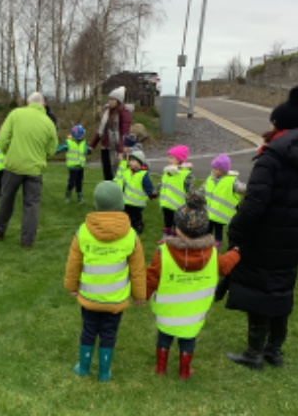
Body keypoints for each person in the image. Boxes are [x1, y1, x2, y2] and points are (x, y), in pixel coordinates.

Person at [225, 86, 298, 371]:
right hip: (292, 241)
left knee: (260, 292)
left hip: (263, 238)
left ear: (279, 125)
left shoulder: (271, 159)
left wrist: (236, 231)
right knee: (281, 291)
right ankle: (274, 350)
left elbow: (254, 204)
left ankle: (254, 353)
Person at [143, 191, 240, 380]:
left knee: (164, 337)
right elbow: (225, 266)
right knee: (188, 341)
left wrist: (142, 295)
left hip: (167, 312)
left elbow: (151, 277)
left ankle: (161, 368)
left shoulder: (163, 253)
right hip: (194, 314)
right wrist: (236, 253)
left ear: (178, 229)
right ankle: (185, 372)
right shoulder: (212, 254)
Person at [64, 181, 147, 382]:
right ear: (120, 204)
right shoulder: (131, 236)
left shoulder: (83, 232)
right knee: (109, 333)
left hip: (90, 297)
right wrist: (139, 295)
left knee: (88, 331)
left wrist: (72, 286)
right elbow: (137, 270)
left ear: (96, 204)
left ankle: (83, 368)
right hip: (115, 300)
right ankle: (104, 372)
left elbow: (73, 263)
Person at [0, 92, 59, 247]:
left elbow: (3, 137)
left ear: (28, 102)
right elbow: (52, 148)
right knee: (32, 205)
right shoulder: (48, 122)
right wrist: (42, 156)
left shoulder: (16, 114)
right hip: (34, 169)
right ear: (43, 104)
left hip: (13, 166)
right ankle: (27, 240)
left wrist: (7, 151)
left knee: (6, 199)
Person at [201, 154, 247, 249]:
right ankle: (205, 248)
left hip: (220, 215)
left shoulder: (232, 181)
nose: (214, 170)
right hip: (209, 212)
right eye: (213, 168)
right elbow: (203, 189)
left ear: (223, 170)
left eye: (217, 169)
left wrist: (247, 188)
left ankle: (216, 249)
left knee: (218, 233)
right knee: (207, 231)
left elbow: (242, 188)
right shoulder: (210, 178)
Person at [89, 87, 132, 181]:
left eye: (113, 99)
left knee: (116, 175)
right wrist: (92, 145)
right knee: (107, 174)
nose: (110, 101)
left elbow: (124, 134)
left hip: (116, 148)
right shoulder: (107, 112)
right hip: (105, 147)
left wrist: (121, 151)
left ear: (118, 101)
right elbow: (100, 131)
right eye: (110, 99)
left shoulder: (124, 113)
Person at [157, 144, 193, 242]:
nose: (169, 160)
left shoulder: (185, 174)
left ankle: (177, 237)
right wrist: (156, 190)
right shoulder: (167, 171)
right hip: (166, 203)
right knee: (167, 221)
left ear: (179, 160)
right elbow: (162, 183)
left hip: (178, 205)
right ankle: (166, 236)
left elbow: (190, 188)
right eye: (169, 157)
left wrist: (191, 200)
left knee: (177, 223)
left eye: (172, 158)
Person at [121, 149, 156, 235]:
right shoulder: (127, 172)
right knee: (127, 215)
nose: (130, 163)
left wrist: (151, 194)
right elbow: (123, 184)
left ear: (140, 163)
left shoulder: (143, 174)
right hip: (126, 200)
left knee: (136, 216)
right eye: (130, 161)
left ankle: (138, 226)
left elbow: (148, 186)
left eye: (133, 161)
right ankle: (129, 228)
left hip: (138, 202)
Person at [55, 124, 91, 204]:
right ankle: (68, 195)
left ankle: (79, 197)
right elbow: (61, 148)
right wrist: (55, 151)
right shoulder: (69, 142)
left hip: (80, 166)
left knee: (79, 182)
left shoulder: (83, 142)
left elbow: (85, 149)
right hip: (72, 167)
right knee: (72, 182)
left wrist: (88, 150)